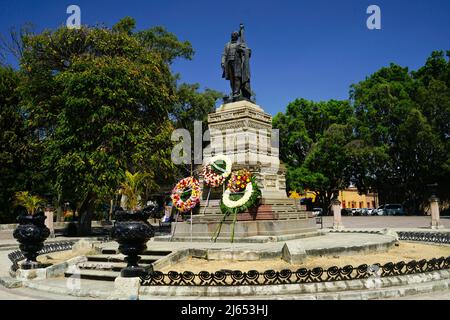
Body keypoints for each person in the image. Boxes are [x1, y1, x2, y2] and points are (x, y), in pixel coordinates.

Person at [221, 24, 252, 101]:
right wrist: (222, 62)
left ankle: (236, 93)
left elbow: (248, 51)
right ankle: (234, 92)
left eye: (235, 34)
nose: (233, 35)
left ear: (237, 36)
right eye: (232, 34)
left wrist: (243, 50)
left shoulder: (240, 44)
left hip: (237, 62)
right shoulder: (227, 45)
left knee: (237, 77)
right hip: (228, 63)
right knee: (231, 79)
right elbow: (224, 54)